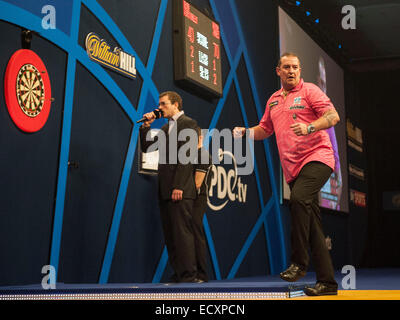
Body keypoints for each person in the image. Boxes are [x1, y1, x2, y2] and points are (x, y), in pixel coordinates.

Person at [233, 53, 340, 296]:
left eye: (295, 67)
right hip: (292, 169)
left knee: (299, 199)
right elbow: (265, 129)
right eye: (286, 67)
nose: (291, 71)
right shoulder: (272, 100)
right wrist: (246, 132)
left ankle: (298, 264)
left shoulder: (310, 91)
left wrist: (309, 127)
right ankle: (328, 284)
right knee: (313, 227)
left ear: (300, 70)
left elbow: (333, 116)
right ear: (278, 71)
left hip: (318, 157)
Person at [139, 91, 201, 283]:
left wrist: (179, 186)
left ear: (176, 105)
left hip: (179, 189)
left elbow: (186, 158)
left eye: (164, 104)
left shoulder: (189, 124)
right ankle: (179, 273)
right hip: (165, 188)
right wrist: (146, 126)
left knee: (182, 233)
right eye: (159, 104)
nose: (160, 108)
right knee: (171, 234)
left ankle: (189, 275)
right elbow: (147, 148)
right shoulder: (165, 129)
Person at [192, 127, 212, 282]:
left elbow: (197, 183)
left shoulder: (203, 155)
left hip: (198, 199)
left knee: (195, 232)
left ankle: (201, 274)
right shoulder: (189, 155)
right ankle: (189, 272)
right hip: (189, 199)